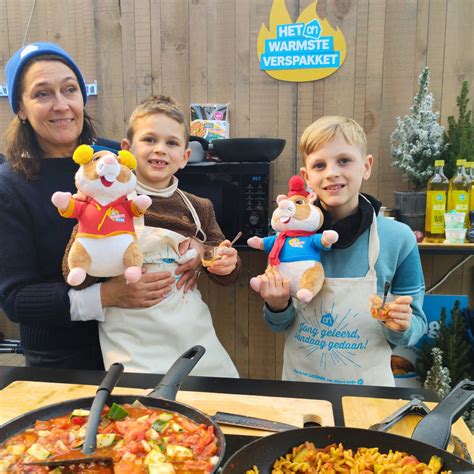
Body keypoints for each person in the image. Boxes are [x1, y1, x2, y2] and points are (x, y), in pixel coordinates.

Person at [65, 95, 240, 377]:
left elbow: (222, 266)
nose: (160, 149)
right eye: (149, 140)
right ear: (127, 150)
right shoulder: (101, 201)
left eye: (171, 143)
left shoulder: (199, 207)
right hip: (133, 345)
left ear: (185, 157)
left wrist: (223, 261)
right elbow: (74, 269)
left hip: (192, 337)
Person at [256, 116, 427, 386]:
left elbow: (416, 327)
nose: (331, 172)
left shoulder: (398, 238)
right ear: (306, 177)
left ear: (366, 166)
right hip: (301, 391)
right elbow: (279, 325)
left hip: (369, 396)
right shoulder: (287, 240)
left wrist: (401, 325)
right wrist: (276, 306)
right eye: (319, 165)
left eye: (344, 161)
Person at [0, 42, 103, 369]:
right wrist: (103, 300)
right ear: (20, 107)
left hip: (138, 341)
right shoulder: (9, 185)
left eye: (69, 90)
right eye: (42, 94)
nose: (61, 105)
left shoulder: (114, 163)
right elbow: (16, 300)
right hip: (62, 360)